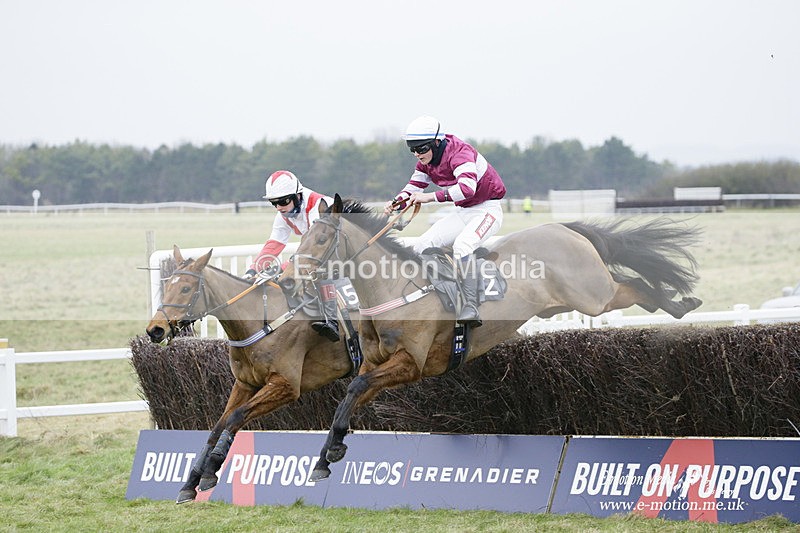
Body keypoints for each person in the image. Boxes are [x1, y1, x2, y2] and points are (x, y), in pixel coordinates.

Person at [383, 116, 507, 327]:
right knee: (421, 245)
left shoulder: (460, 153)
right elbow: (414, 188)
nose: (416, 154)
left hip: (488, 209)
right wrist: (397, 202)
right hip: (463, 211)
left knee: (463, 245)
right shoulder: (425, 161)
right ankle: (434, 296)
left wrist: (430, 198)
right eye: (411, 149)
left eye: (420, 149)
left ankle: (470, 305)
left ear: (436, 142)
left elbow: (468, 189)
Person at [245, 170, 340, 342]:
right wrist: (253, 270)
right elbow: (274, 244)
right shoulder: (284, 213)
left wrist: (279, 268)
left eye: (283, 201)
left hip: (341, 249)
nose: (279, 208)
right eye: (274, 204)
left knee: (319, 273)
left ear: (298, 195)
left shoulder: (317, 206)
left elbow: (312, 251)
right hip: (320, 250)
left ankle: (332, 321)